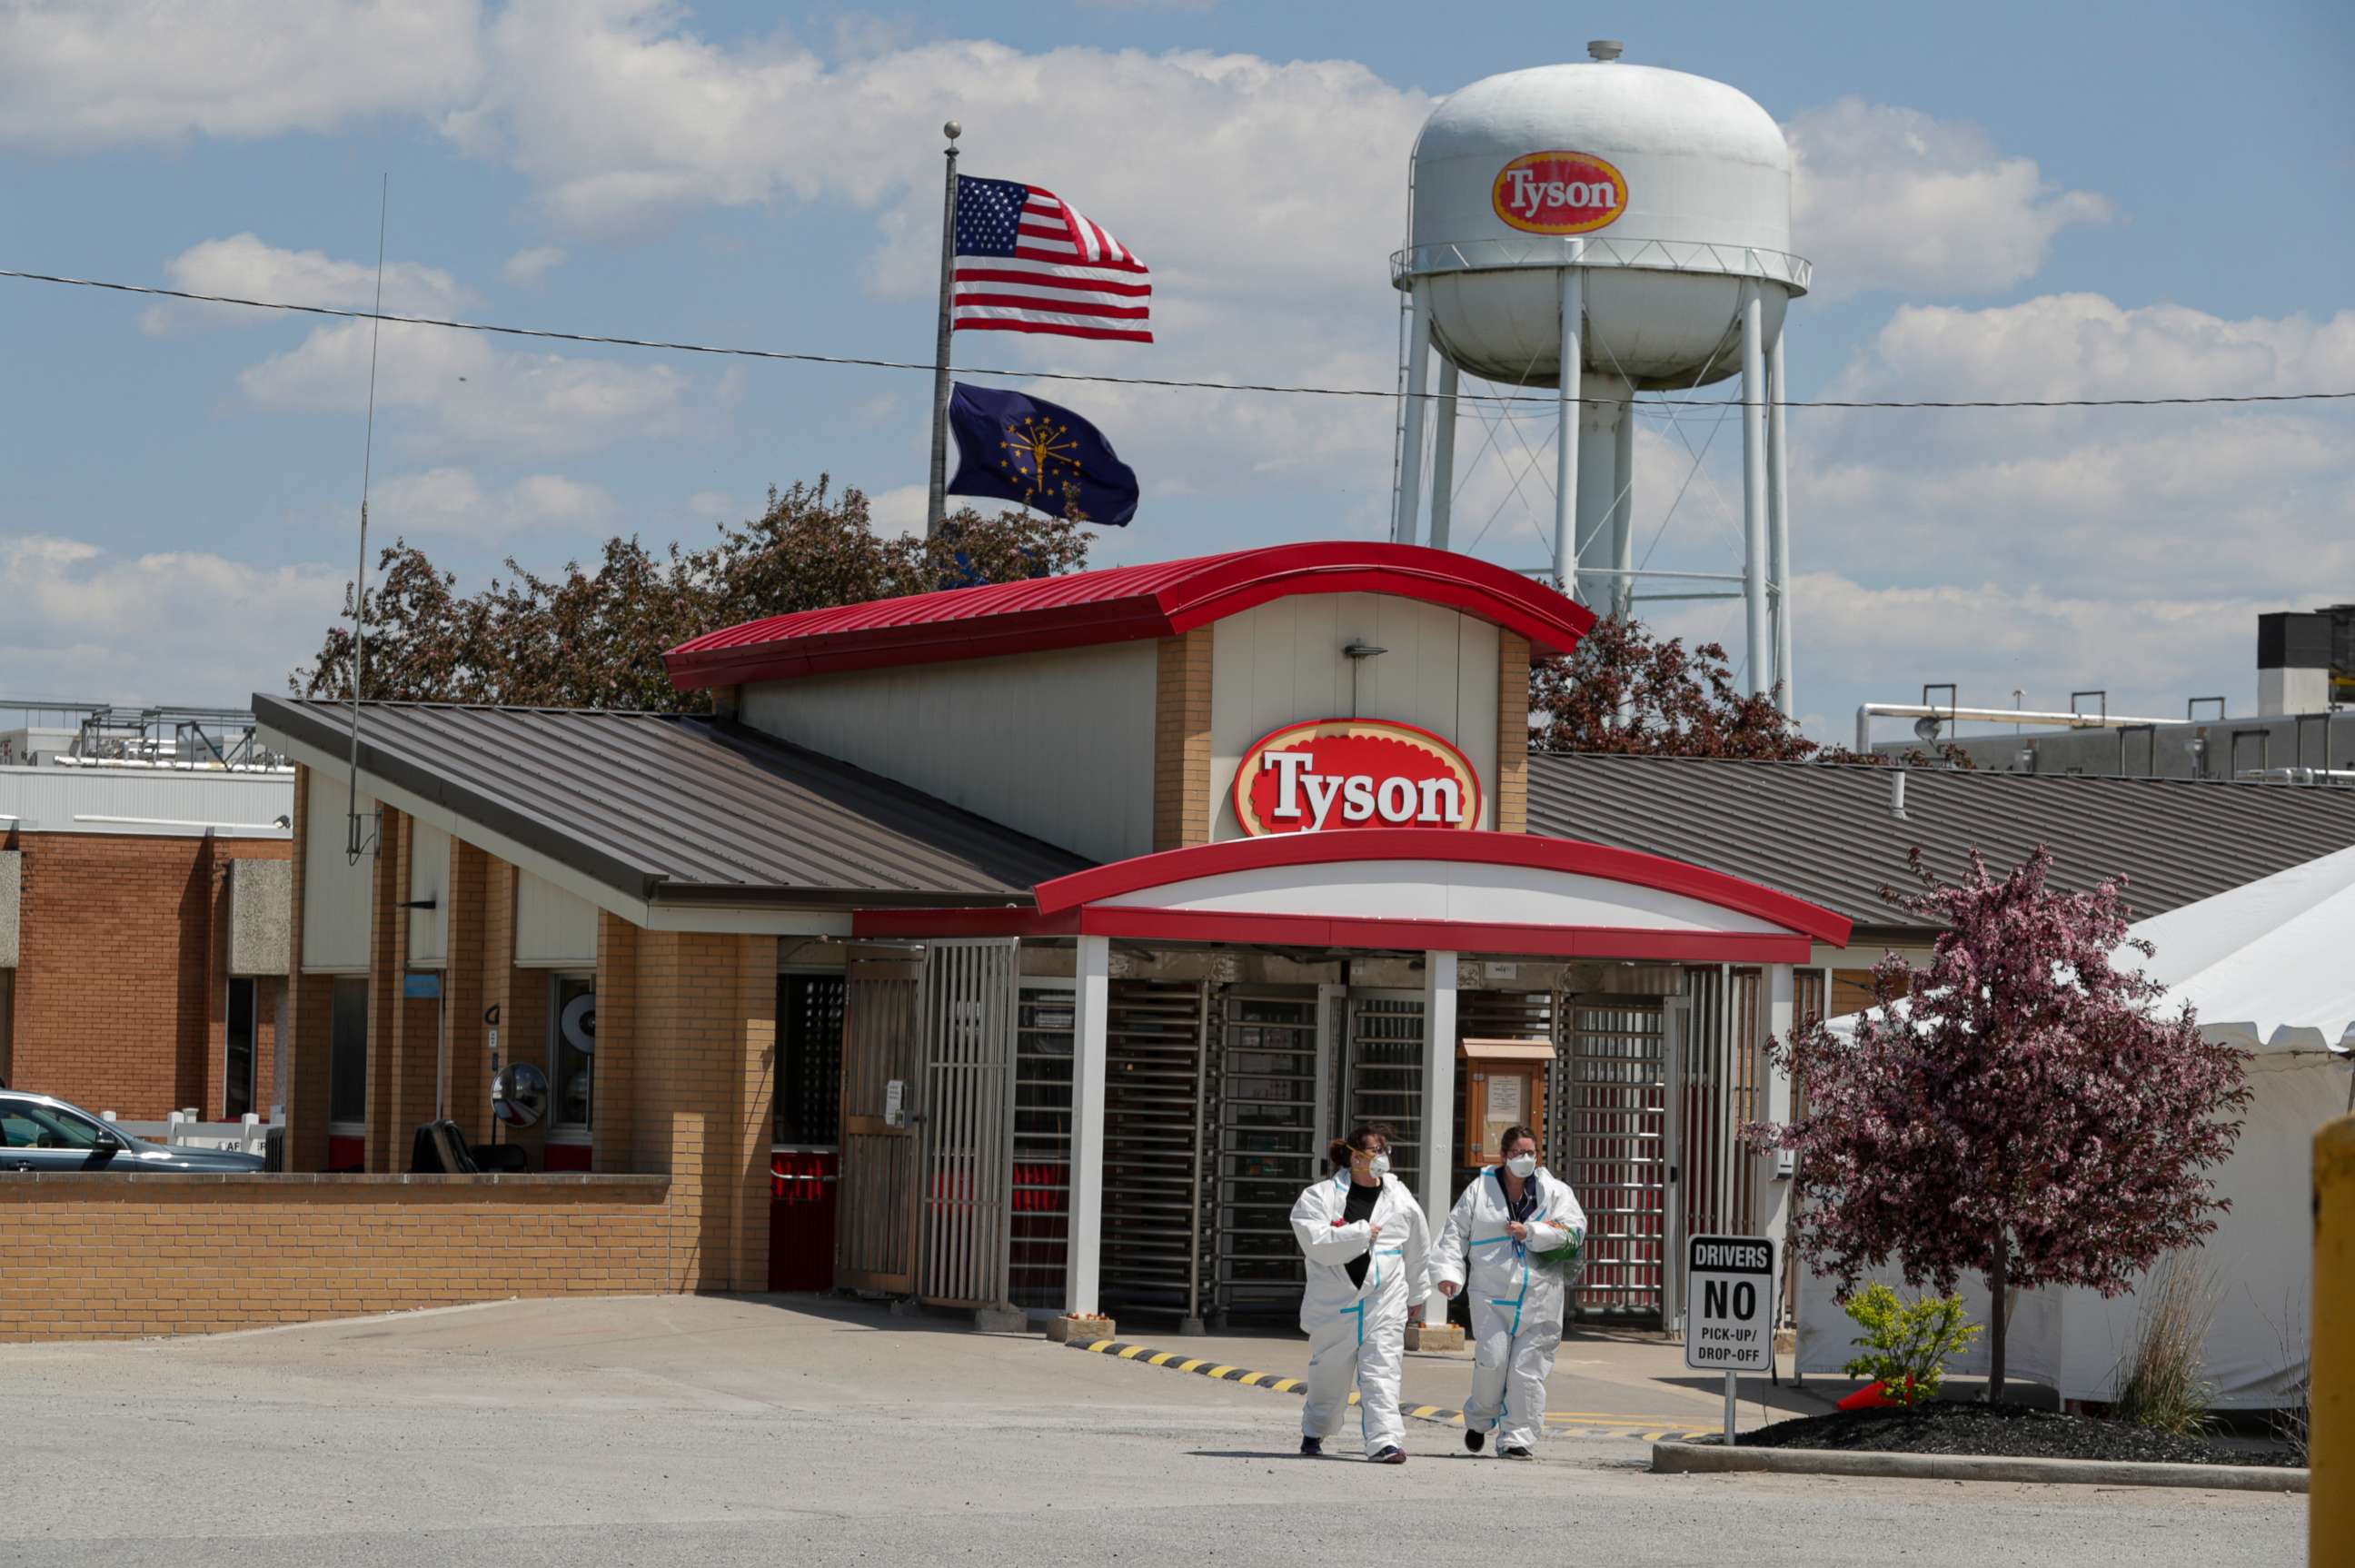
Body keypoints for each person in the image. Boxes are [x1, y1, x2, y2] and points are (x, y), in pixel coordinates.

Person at [1429, 1125, 1588, 1460]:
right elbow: (1455, 1233)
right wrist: (1448, 1273)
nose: (1526, 1159)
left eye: (1531, 1153)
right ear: (1503, 1156)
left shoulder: (1555, 1191)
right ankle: (1479, 1419)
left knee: (1528, 1371)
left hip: (1541, 1296)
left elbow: (1575, 1230)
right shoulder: (1480, 1190)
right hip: (1491, 1294)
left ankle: (1517, 1438)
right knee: (1493, 1362)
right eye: (1519, 1153)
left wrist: (1532, 1232)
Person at [1288, 1122, 1431, 1463]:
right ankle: (1315, 1428)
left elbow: (1418, 1248)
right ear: (1355, 1158)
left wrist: (1417, 1295)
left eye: (1386, 1151)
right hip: (1336, 1304)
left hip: (1385, 1299)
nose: (1382, 1158)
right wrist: (1361, 1234)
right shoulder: (1319, 1197)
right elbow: (1316, 1243)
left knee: (1383, 1370)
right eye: (1375, 1151)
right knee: (1328, 1376)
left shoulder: (1400, 1199)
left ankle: (1385, 1441)